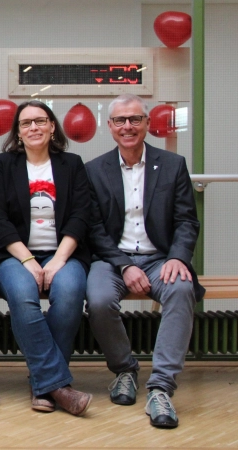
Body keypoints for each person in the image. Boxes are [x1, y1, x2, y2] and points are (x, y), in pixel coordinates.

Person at [85, 94, 203, 429]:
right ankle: (124, 370)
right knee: (98, 298)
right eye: (120, 121)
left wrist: (179, 257)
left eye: (135, 119)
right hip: (112, 260)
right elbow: (94, 229)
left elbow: (186, 221)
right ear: (110, 127)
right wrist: (125, 265)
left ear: (147, 124)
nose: (128, 126)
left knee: (182, 291)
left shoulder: (172, 165)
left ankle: (161, 387)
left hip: (161, 257)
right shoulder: (94, 170)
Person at [0, 100, 93, 416]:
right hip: (14, 256)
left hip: (64, 253)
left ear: (52, 126)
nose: (34, 128)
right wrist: (29, 260)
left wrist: (58, 260)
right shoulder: (4, 165)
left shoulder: (72, 164)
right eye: (26, 123)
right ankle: (57, 386)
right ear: (18, 132)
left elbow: (80, 215)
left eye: (40, 121)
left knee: (70, 293)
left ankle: (43, 383)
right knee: (23, 296)